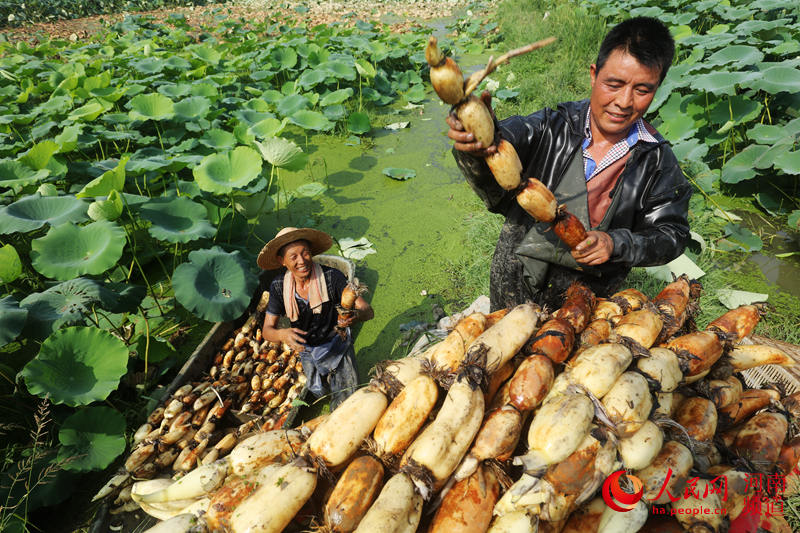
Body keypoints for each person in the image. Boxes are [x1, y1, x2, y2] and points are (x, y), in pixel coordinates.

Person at [447, 16, 692, 311]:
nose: (624, 101)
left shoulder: (656, 160)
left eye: (643, 90)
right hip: (512, 285)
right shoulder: (551, 127)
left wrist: (617, 244)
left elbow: (671, 235)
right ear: (593, 74)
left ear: (657, 88)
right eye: (614, 84)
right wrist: (478, 142)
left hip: (586, 303)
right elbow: (506, 141)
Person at [258, 227, 373, 407]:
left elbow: (368, 311)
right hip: (307, 351)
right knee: (317, 391)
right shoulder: (279, 286)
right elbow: (267, 330)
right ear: (282, 261)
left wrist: (356, 315)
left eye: (305, 253)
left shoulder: (331, 277)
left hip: (337, 346)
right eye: (293, 257)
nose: (302, 261)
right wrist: (283, 335)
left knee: (346, 401)